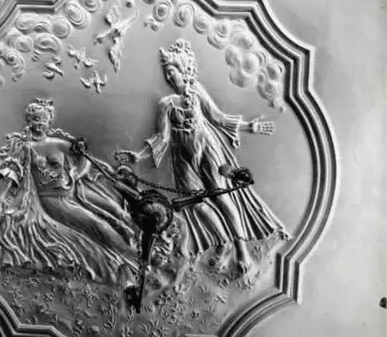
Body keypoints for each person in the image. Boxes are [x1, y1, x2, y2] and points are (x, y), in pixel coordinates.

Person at [116, 39, 289, 275]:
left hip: (206, 147)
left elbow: (217, 117)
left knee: (221, 197)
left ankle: (242, 250)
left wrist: (249, 127)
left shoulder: (196, 92)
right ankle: (222, 242)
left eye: (172, 71)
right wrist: (137, 157)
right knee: (196, 204)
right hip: (182, 157)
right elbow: (162, 138)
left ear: (184, 71)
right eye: (167, 73)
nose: (168, 76)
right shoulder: (166, 104)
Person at [0, 98, 137, 284]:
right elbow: (13, 174)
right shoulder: (25, 147)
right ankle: (132, 255)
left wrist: (76, 174)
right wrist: (0, 201)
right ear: (29, 121)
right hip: (52, 199)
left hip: (74, 191)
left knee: (117, 211)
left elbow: (84, 158)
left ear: (49, 122)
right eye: (36, 119)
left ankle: (140, 244)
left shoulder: (57, 143)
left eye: (44, 120)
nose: (40, 124)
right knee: (97, 224)